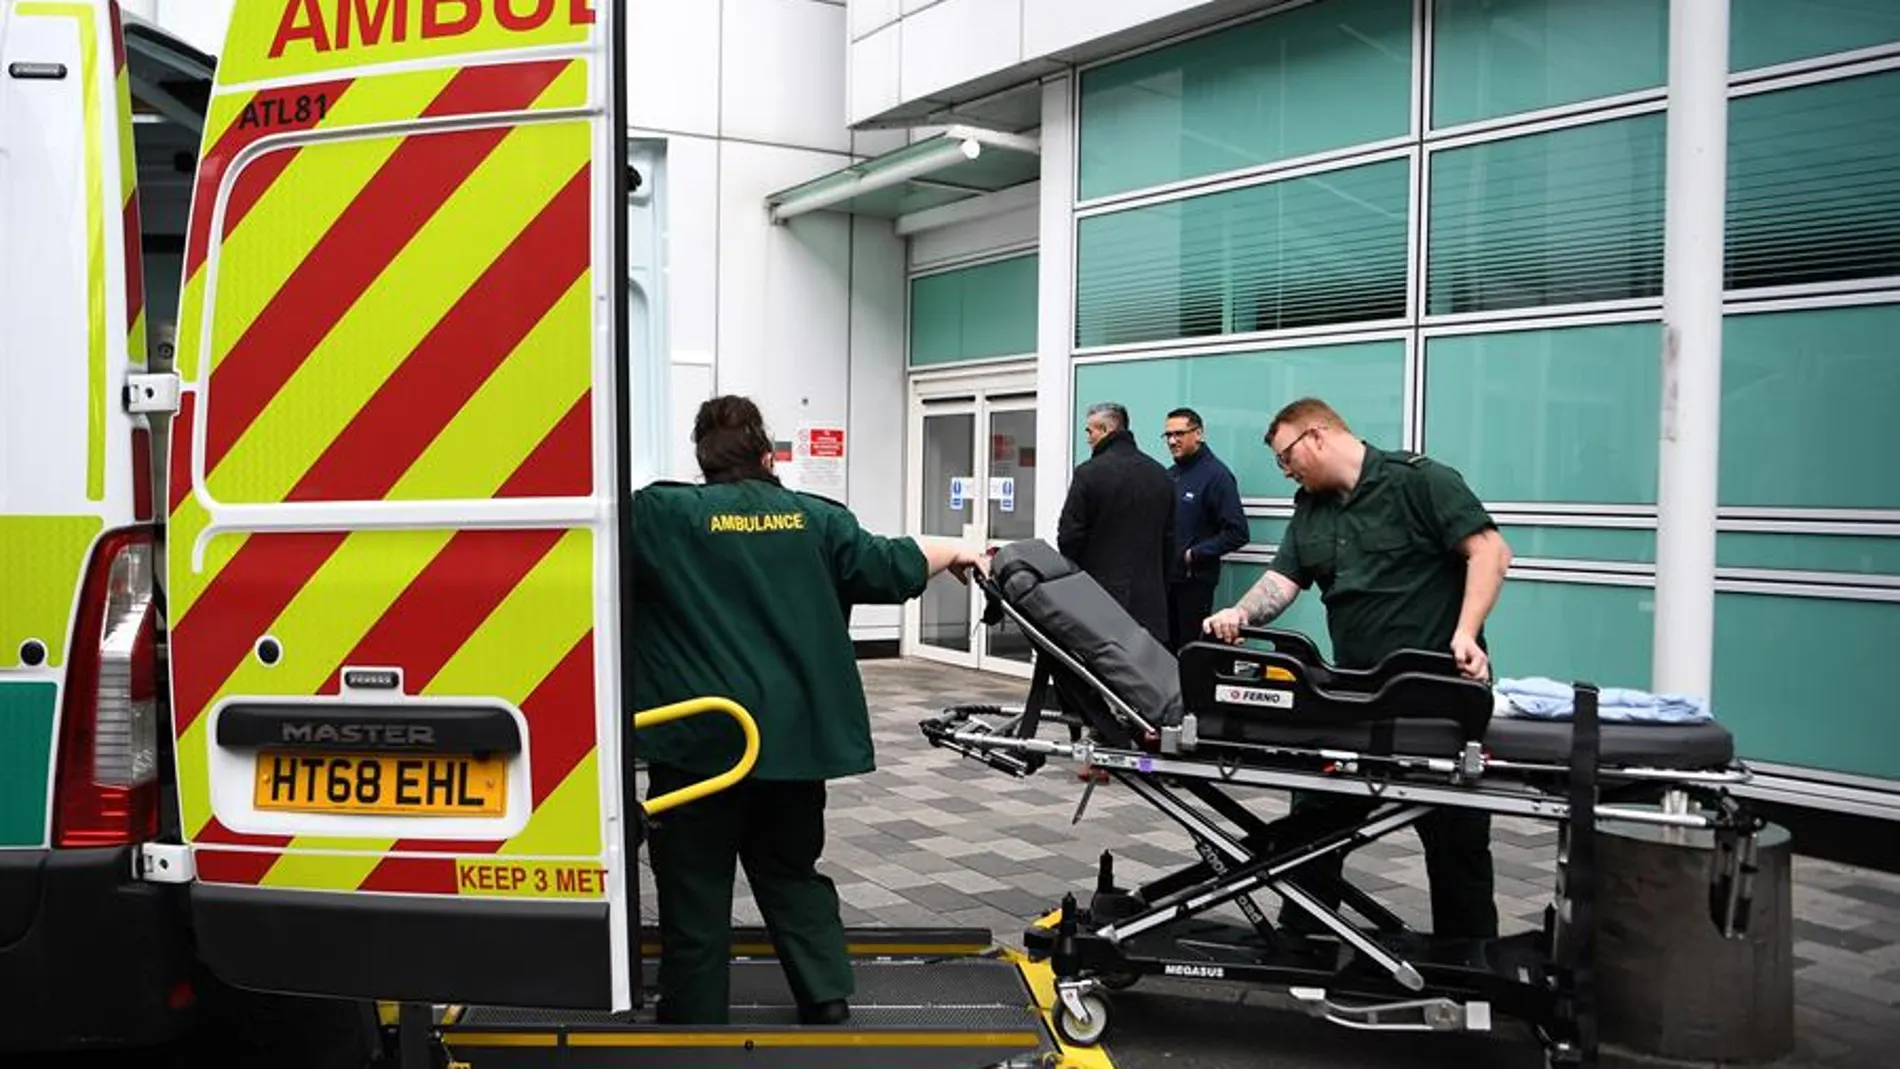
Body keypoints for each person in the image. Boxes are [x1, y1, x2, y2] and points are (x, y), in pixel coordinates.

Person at [631, 395, 985, 1026]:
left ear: (702, 460)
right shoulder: (816, 519)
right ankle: (824, 995)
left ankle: (693, 1014)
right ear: (768, 457)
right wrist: (955, 549)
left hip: (699, 749)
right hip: (791, 745)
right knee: (792, 871)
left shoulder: (662, 514)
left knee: (694, 886)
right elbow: (889, 564)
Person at [1203, 397, 1512, 940]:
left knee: (1455, 839)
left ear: (1317, 436)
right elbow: (1284, 581)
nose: (1285, 470)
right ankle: (1305, 938)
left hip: (1437, 696)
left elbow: (1489, 552)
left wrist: (1466, 631)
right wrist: (1240, 613)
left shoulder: (1420, 482)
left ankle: (1471, 965)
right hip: (1357, 698)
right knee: (1315, 819)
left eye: (1285, 457)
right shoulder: (1312, 509)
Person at [1056, 402, 1175, 646]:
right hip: (1151, 601)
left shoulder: (1088, 473)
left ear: (1105, 430)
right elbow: (1170, 539)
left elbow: (1069, 537)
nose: (1088, 438)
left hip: (1099, 597)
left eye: (1090, 431)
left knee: (1101, 673)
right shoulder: (1161, 475)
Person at [1161, 407, 1249, 652]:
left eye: (1179, 433)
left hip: (1193, 584)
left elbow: (1238, 532)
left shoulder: (1216, 476)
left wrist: (1194, 554)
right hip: (1167, 581)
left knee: (1190, 651)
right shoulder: (1171, 474)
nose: (1172, 441)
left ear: (1198, 434)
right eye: (1167, 435)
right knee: (1164, 651)